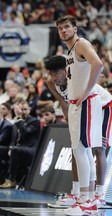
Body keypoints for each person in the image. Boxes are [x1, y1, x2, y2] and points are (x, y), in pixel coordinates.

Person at [46, 55, 110, 212]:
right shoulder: (50, 83)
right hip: (80, 109)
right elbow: (63, 103)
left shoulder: (76, 78)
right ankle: (76, 194)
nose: (54, 78)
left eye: (57, 73)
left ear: (66, 70)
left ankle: (99, 196)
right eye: (51, 73)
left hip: (103, 107)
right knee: (78, 150)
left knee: (99, 149)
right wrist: (71, 120)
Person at [56, 15, 104, 215]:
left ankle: (86, 201)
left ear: (75, 29)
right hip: (77, 105)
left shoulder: (81, 44)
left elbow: (98, 64)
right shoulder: (69, 51)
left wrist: (85, 92)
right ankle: (89, 200)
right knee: (81, 152)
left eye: (67, 27)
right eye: (60, 28)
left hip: (86, 103)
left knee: (82, 151)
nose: (63, 31)